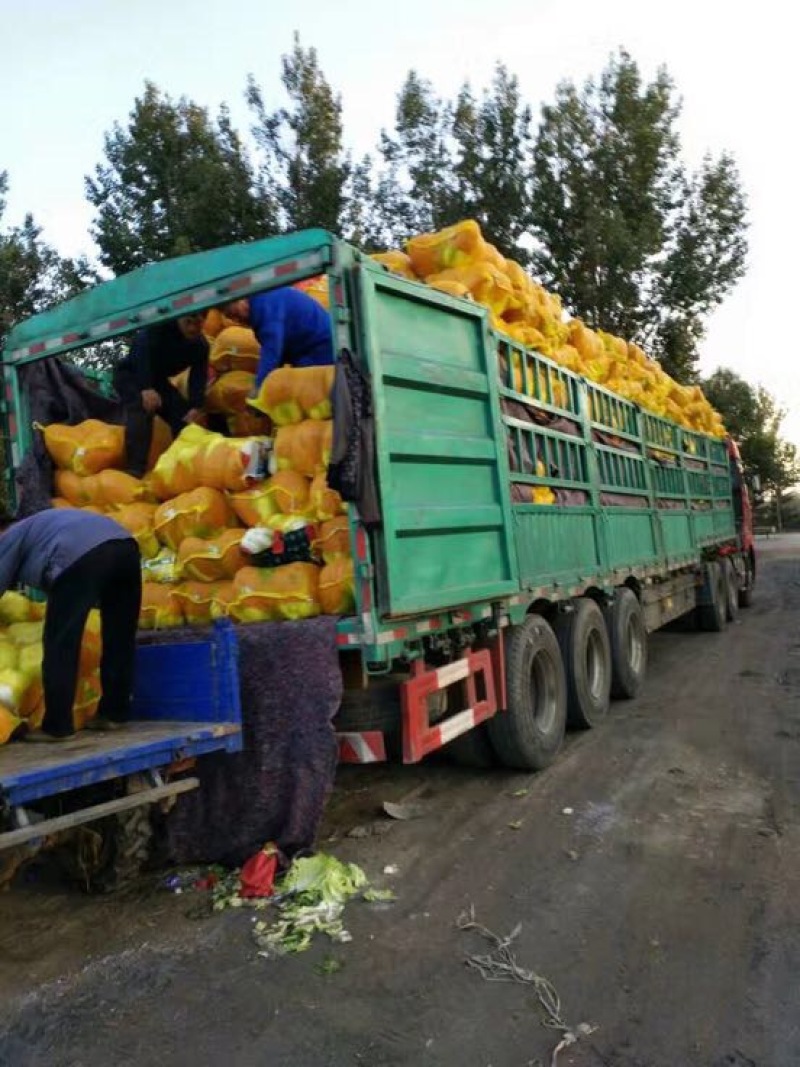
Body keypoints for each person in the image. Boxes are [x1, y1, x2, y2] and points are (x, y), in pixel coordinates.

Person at [0, 509, 142, 741]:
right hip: (125, 547)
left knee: (61, 642)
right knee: (119, 636)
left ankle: (57, 726)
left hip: (80, 555)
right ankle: (115, 713)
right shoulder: (42, 525)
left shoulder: (9, 536)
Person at [113, 313, 209, 476]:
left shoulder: (200, 346)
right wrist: (146, 387)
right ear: (179, 318)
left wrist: (196, 405)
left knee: (183, 415)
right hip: (132, 374)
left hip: (158, 380)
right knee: (142, 408)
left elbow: (198, 376)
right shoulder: (162, 325)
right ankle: (135, 469)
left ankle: (182, 465)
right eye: (188, 322)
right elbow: (140, 346)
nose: (193, 328)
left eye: (198, 324)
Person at [221, 287, 334, 388]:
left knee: (308, 392)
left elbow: (272, 353)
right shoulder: (261, 302)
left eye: (235, 313)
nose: (237, 320)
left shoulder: (265, 308)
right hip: (313, 345)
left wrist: (258, 388)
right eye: (231, 317)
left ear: (242, 299)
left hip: (320, 348)